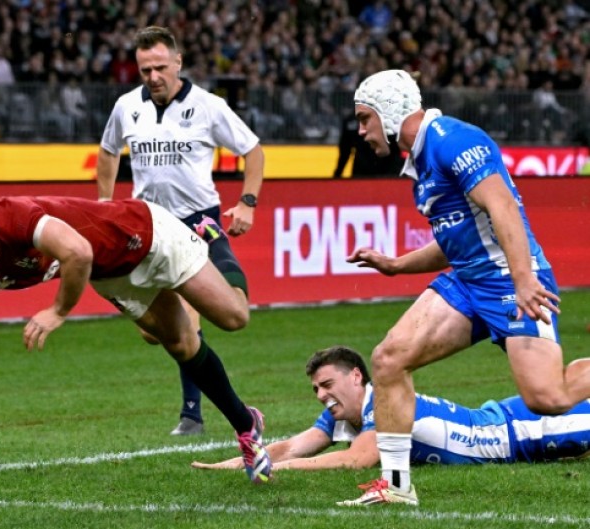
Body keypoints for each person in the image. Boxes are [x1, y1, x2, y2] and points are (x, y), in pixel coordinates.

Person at [0, 185, 273, 484]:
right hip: (113, 274)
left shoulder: (11, 216)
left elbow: (78, 252)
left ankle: (213, 238)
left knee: (234, 317)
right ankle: (246, 425)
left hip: (147, 235)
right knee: (178, 344)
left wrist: (57, 311)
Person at [339, 69, 590, 506]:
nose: (361, 131)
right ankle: (397, 486)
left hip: (508, 281)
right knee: (389, 359)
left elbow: (503, 205)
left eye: (365, 118)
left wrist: (524, 279)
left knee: (548, 396)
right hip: (466, 279)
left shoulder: (452, 138)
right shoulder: (420, 157)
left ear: (390, 111)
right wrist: (397, 265)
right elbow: (458, 235)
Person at [96, 26, 264, 436]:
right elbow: (107, 152)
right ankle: (197, 410)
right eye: (144, 70)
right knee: (153, 333)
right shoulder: (126, 107)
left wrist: (248, 202)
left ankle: (192, 414)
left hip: (198, 221)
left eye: (159, 68)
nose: (153, 77)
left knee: (201, 314)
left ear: (178, 63)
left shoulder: (208, 106)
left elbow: (253, 151)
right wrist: (104, 205)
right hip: (148, 227)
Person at [192, 346, 590, 473]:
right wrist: (233, 464)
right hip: (504, 416)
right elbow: (290, 447)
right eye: (315, 388)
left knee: (572, 383)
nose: (320, 395)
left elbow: (357, 460)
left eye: (328, 385)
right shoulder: (342, 415)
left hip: (525, 431)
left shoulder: (380, 403)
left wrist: (278, 470)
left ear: (358, 378)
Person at [332, 112, 402, 178]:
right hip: (363, 173)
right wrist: (338, 174)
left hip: (385, 173)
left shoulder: (389, 118)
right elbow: (345, 151)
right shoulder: (351, 121)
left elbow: (398, 148)